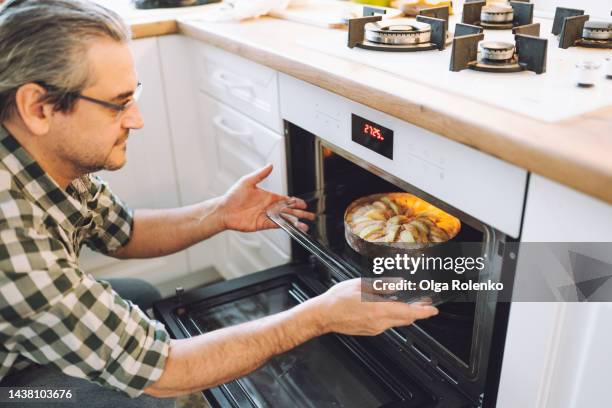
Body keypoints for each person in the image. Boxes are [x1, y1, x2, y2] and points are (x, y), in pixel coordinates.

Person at [0, 0, 439, 406]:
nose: (136, 120)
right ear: (39, 108)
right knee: (133, 397)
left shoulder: (39, 159)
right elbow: (164, 368)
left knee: (145, 298)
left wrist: (221, 213)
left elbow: (123, 231)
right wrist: (319, 316)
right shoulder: (11, 231)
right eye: (118, 105)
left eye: (134, 96)